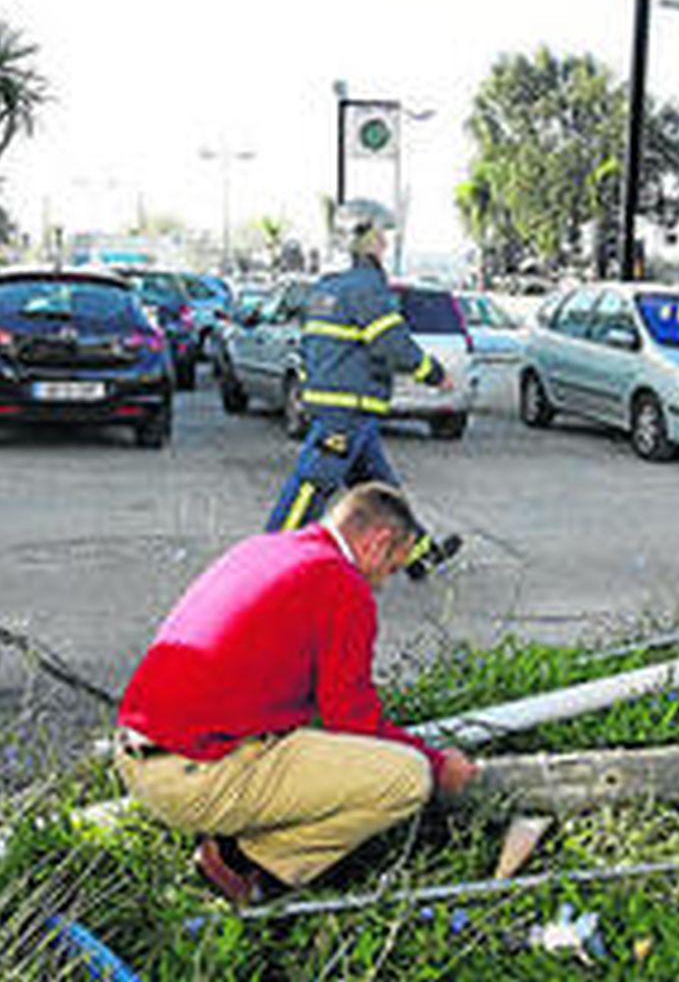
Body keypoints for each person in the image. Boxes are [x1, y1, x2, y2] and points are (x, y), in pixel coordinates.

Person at [116, 482, 479, 906]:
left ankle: (234, 831)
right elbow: (351, 720)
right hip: (191, 779)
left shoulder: (266, 548)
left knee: (319, 744)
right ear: (379, 542)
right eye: (392, 568)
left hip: (139, 754)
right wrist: (438, 765)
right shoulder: (342, 583)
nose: (383, 584)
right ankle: (239, 862)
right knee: (406, 778)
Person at [265, 199, 461, 579]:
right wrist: (435, 375)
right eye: (380, 236)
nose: (385, 245)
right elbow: (392, 344)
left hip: (341, 406)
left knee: (381, 489)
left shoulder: (327, 287)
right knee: (311, 484)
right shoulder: (366, 288)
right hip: (347, 410)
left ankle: (416, 554)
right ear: (363, 238)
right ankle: (270, 558)